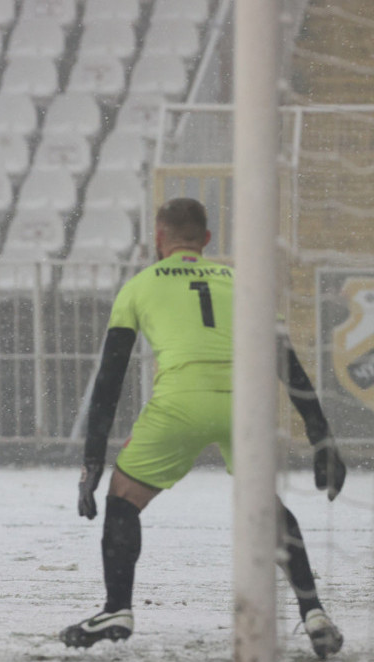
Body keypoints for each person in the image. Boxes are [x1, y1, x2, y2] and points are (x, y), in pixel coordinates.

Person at [61, 198, 347, 658]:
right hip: (245, 404)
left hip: (179, 403)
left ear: (158, 238)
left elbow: (109, 380)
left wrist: (92, 459)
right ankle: (313, 610)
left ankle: (117, 608)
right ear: (207, 240)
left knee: (124, 496)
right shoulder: (242, 281)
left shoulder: (139, 285)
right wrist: (321, 436)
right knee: (265, 505)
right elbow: (288, 365)